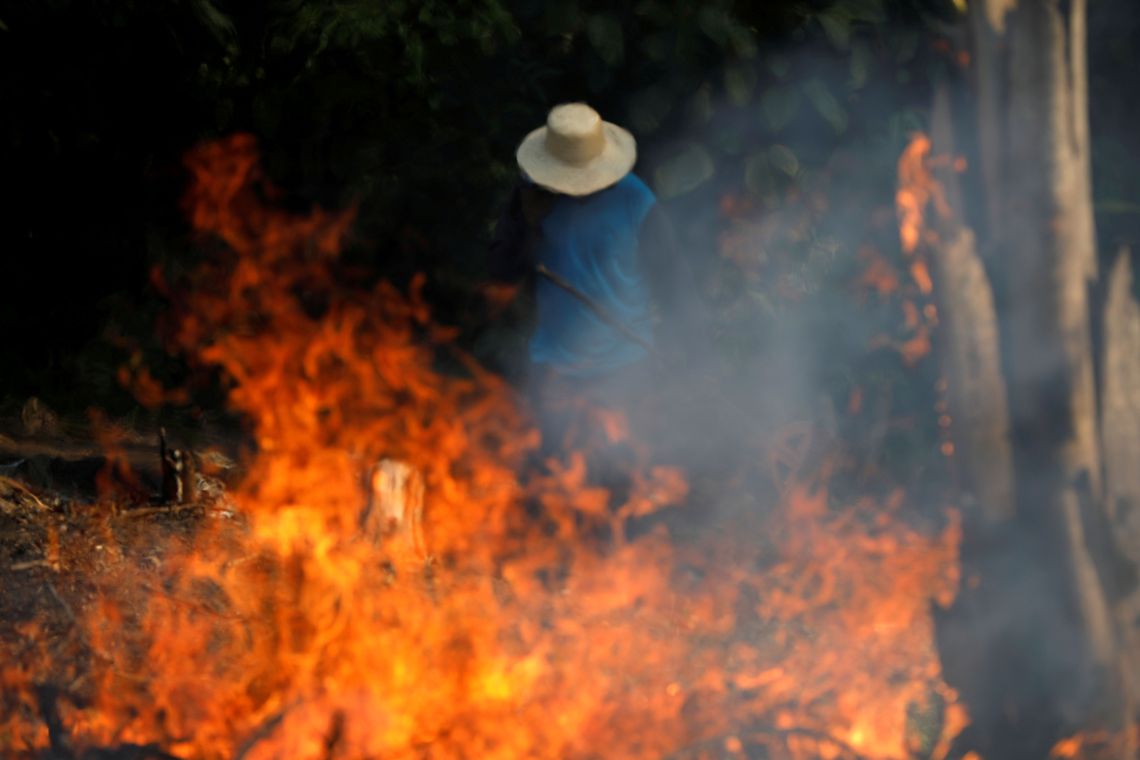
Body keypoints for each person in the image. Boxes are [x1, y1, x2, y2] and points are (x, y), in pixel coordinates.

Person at [488, 102, 701, 464]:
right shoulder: (534, 198)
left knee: (618, 481)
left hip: (625, 370)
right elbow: (501, 273)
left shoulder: (636, 201)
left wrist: (689, 353)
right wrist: (528, 223)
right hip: (555, 369)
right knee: (555, 481)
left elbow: (674, 283)